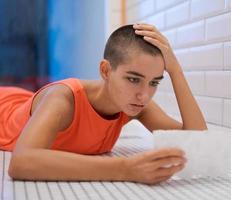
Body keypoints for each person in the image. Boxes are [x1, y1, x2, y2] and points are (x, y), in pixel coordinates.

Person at [0, 23, 207, 185]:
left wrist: (176, 71)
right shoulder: (63, 100)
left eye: (154, 82)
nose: (144, 95)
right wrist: (125, 169)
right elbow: (22, 162)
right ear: (106, 71)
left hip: (21, 101)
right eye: (133, 79)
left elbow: (198, 142)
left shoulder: (135, 105)